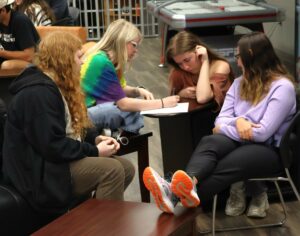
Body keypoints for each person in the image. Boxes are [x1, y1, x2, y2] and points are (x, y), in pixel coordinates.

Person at [143, 32, 296, 216]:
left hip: (270, 150)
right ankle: (184, 187)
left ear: (251, 55)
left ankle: (173, 195)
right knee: (210, 141)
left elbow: (262, 133)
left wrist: (227, 126)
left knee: (223, 162)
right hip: (241, 140)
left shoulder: (282, 87)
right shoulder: (239, 83)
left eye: (239, 56)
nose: (237, 62)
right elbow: (219, 121)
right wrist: (239, 121)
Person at [2, 31, 135, 214]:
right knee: (111, 170)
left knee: (126, 167)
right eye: (79, 56)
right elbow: (52, 146)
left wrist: (95, 140)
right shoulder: (38, 93)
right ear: (63, 58)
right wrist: (95, 151)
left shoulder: (57, 84)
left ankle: (90, 223)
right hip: (41, 171)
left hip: (56, 161)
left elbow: (75, 126)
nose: (82, 62)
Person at [81, 19, 179, 137]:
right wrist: (162, 103)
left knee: (134, 107)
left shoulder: (108, 59)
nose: (136, 51)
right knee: (127, 109)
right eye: (134, 45)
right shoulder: (101, 61)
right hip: (83, 113)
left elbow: (119, 89)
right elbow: (124, 104)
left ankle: (114, 132)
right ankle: (118, 135)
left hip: (93, 107)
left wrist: (137, 90)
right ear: (122, 41)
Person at [166, 31, 234, 111]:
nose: (185, 67)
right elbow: (170, 102)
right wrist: (180, 94)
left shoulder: (220, 66)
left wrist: (205, 61)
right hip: (187, 119)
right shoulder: (177, 72)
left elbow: (203, 97)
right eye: (179, 63)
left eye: (187, 60)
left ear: (198, 52)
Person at [0, 0, 40, 69]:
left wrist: (1, 53)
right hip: (13, 59)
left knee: (6, 66)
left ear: (3, 10)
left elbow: (29, 55)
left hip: (35, 62)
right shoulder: (1, 21)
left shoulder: (20, 21)